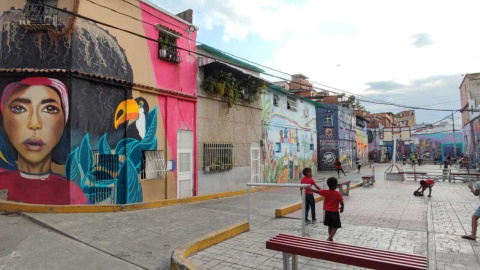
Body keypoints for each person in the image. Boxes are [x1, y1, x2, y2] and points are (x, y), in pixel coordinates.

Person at [0, 77, 87, 205]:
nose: (34, 124)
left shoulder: (74, 194)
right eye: (19, 108)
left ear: (64, 121)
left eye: (50, 109)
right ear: (4, 119)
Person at [313, 177, 344, 241]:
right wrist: (342, 208)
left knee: (330, 225)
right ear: (336, 185)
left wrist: (309, 188)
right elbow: (341, 202)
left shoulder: (325, 192)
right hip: (334, 212)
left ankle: (330, 238)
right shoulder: (338, 194)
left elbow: (317, 191)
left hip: (327, 212)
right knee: (336, 226)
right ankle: (329, 237)